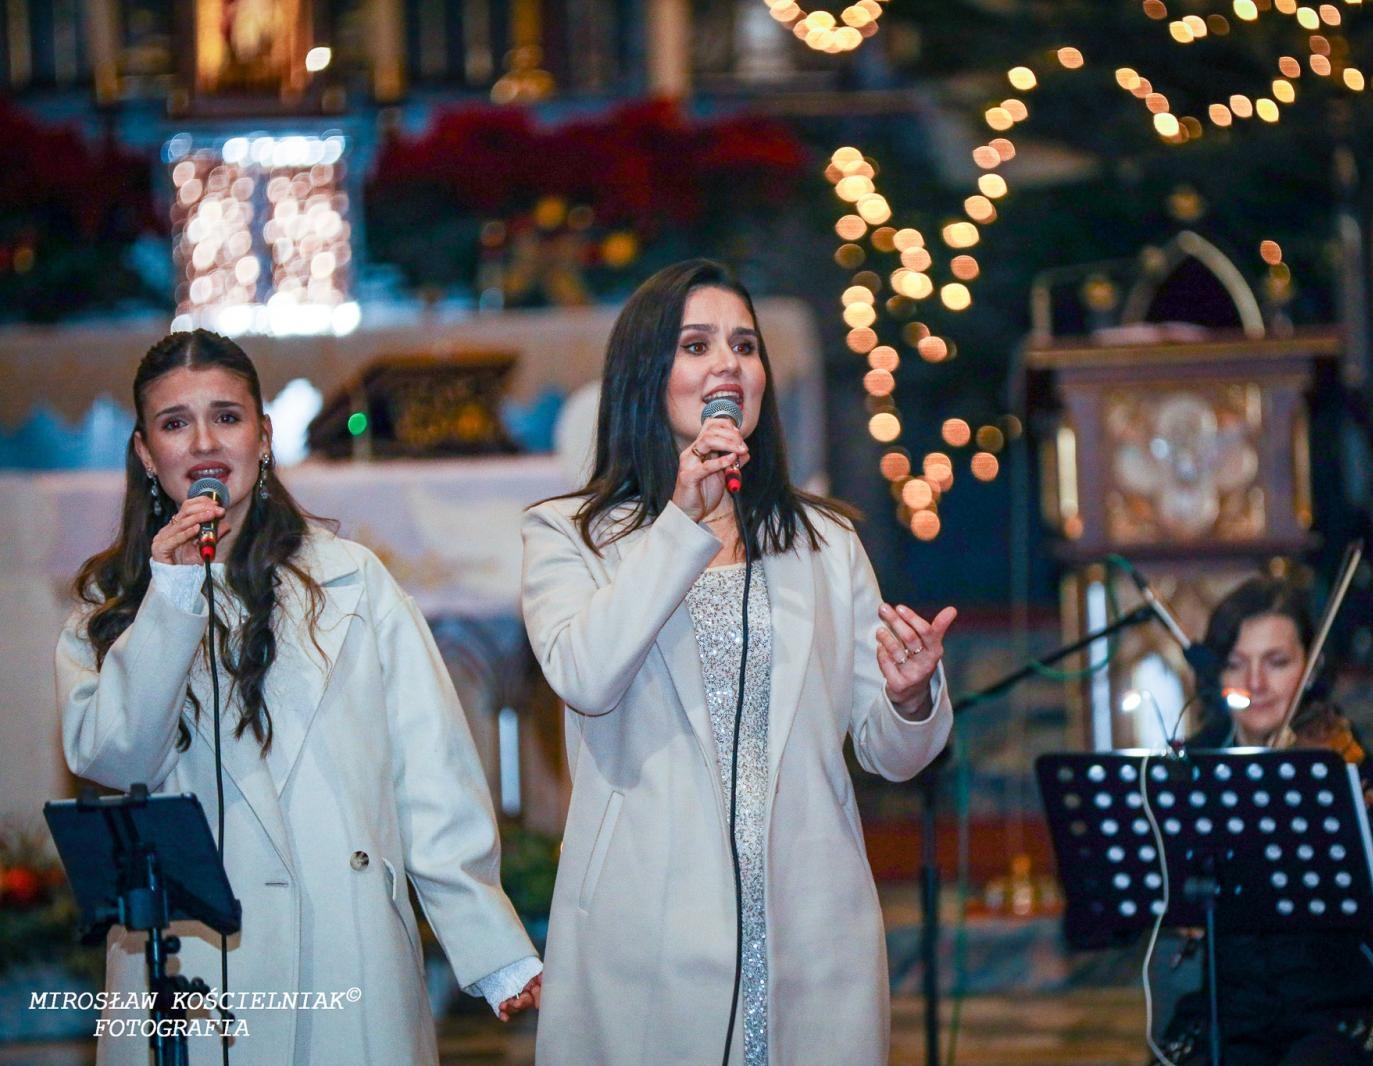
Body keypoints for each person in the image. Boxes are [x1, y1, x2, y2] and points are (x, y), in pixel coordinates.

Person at [56, 330, 541, 1065]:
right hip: (194, 960)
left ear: (264, 435)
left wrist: (489, 943)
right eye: (175, 423)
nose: (205, 442)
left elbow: (428, 766)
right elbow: (115, 758)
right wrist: (172, 595)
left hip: (344, 943)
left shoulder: (353, 579)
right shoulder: (111, 601)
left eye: (226, 416)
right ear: (146, 453)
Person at [521, 259, 957, 1065]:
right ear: (646, 377)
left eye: (744, 345)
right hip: (647, 919)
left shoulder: (827, 542)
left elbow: (894, 757)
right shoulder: (569, 537)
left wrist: (909, 697)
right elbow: (586, 674)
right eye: (696, 345)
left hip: (808, 915)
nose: (728, 363)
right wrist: (682, 525)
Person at [1158, 576, 1373, 1066]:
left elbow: (1372, 862)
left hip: (1336, 1009)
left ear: (1310, 667)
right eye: (1236, 665)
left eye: (1277, 662)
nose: (1257, 684)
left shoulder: (1340, 755)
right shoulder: (1192, 763)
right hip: (1230, 1011)